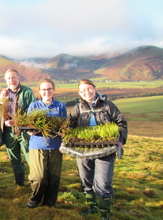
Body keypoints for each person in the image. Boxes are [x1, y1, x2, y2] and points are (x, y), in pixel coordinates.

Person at [69, 79, 127, 220]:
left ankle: (105, 214)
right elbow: (70, 126)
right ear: (79, 93)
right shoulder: (78, 108)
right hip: (83, 151)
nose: (86, 92)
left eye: (89, 88)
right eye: (82, 90)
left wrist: (119, 140)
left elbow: (121, 122)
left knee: (103, 182)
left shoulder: (107, 104)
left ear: (94, 88)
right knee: (86, 180)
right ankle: (92, 208)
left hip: (105, 150)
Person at [25, 78, 67, 208]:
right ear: (39, 91)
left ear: (54, 90)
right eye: (43, 89)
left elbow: (64, 126)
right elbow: (27, 126)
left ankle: (50, 202)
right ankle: (35, 199)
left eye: (49, 89)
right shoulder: (34, 106)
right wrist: (30, 132)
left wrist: (63, 133)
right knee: (39, 177)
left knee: (54, 177)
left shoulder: (60, 106)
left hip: (56, 146)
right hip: (37, 145)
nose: (46, 91)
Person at [0, 68, 36, 186]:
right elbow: (0, 110)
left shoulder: (27, 92)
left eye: (13, 77)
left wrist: (17, 122)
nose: (11, 80)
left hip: (24, 131)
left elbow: (32, 112)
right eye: (8, 78)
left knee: (30, 158)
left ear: (19, 78)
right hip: (9, 132)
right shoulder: (4, 93)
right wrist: (1, 98)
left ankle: (36, 183)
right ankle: (19, 184)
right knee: (15, 160)